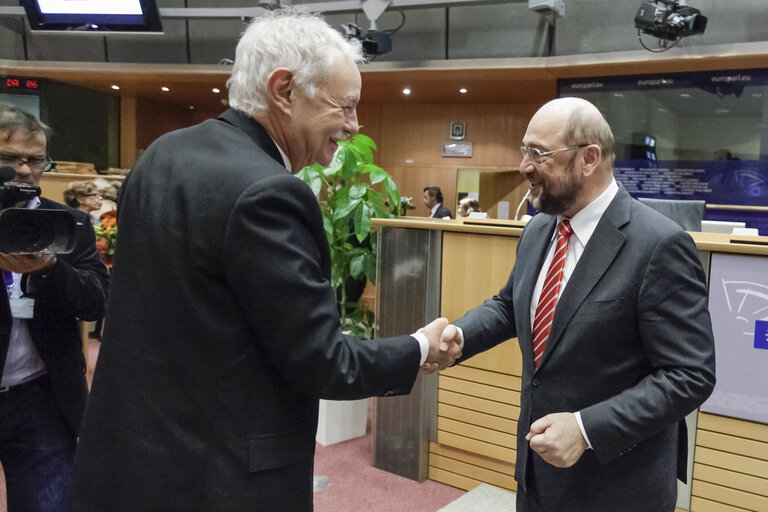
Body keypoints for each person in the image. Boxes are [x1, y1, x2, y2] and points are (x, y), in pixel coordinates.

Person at [69, 9, 459, 512]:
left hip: (132, 460)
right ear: (284, 90)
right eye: (345, 106)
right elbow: (323, 362)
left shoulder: (163, 154)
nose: (354, 125)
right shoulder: (269, 193)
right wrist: (417, 347)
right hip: (217, 479)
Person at [438, 97, 716, 511]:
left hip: (617, 488)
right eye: (524, 150)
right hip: (537, 476)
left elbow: (690, 375)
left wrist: (586, 430)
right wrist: (459, 336)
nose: (524, 166)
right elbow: (509, 305)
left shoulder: (659, 245)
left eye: (539, 153)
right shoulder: (539, 229)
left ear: (589, 158)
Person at [0, 103, 109, 511]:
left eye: (35, 160)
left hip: (41, 397)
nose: (24, 171)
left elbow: (96, 300)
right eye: (10, 159)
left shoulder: (67, 223)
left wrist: (50, 269)